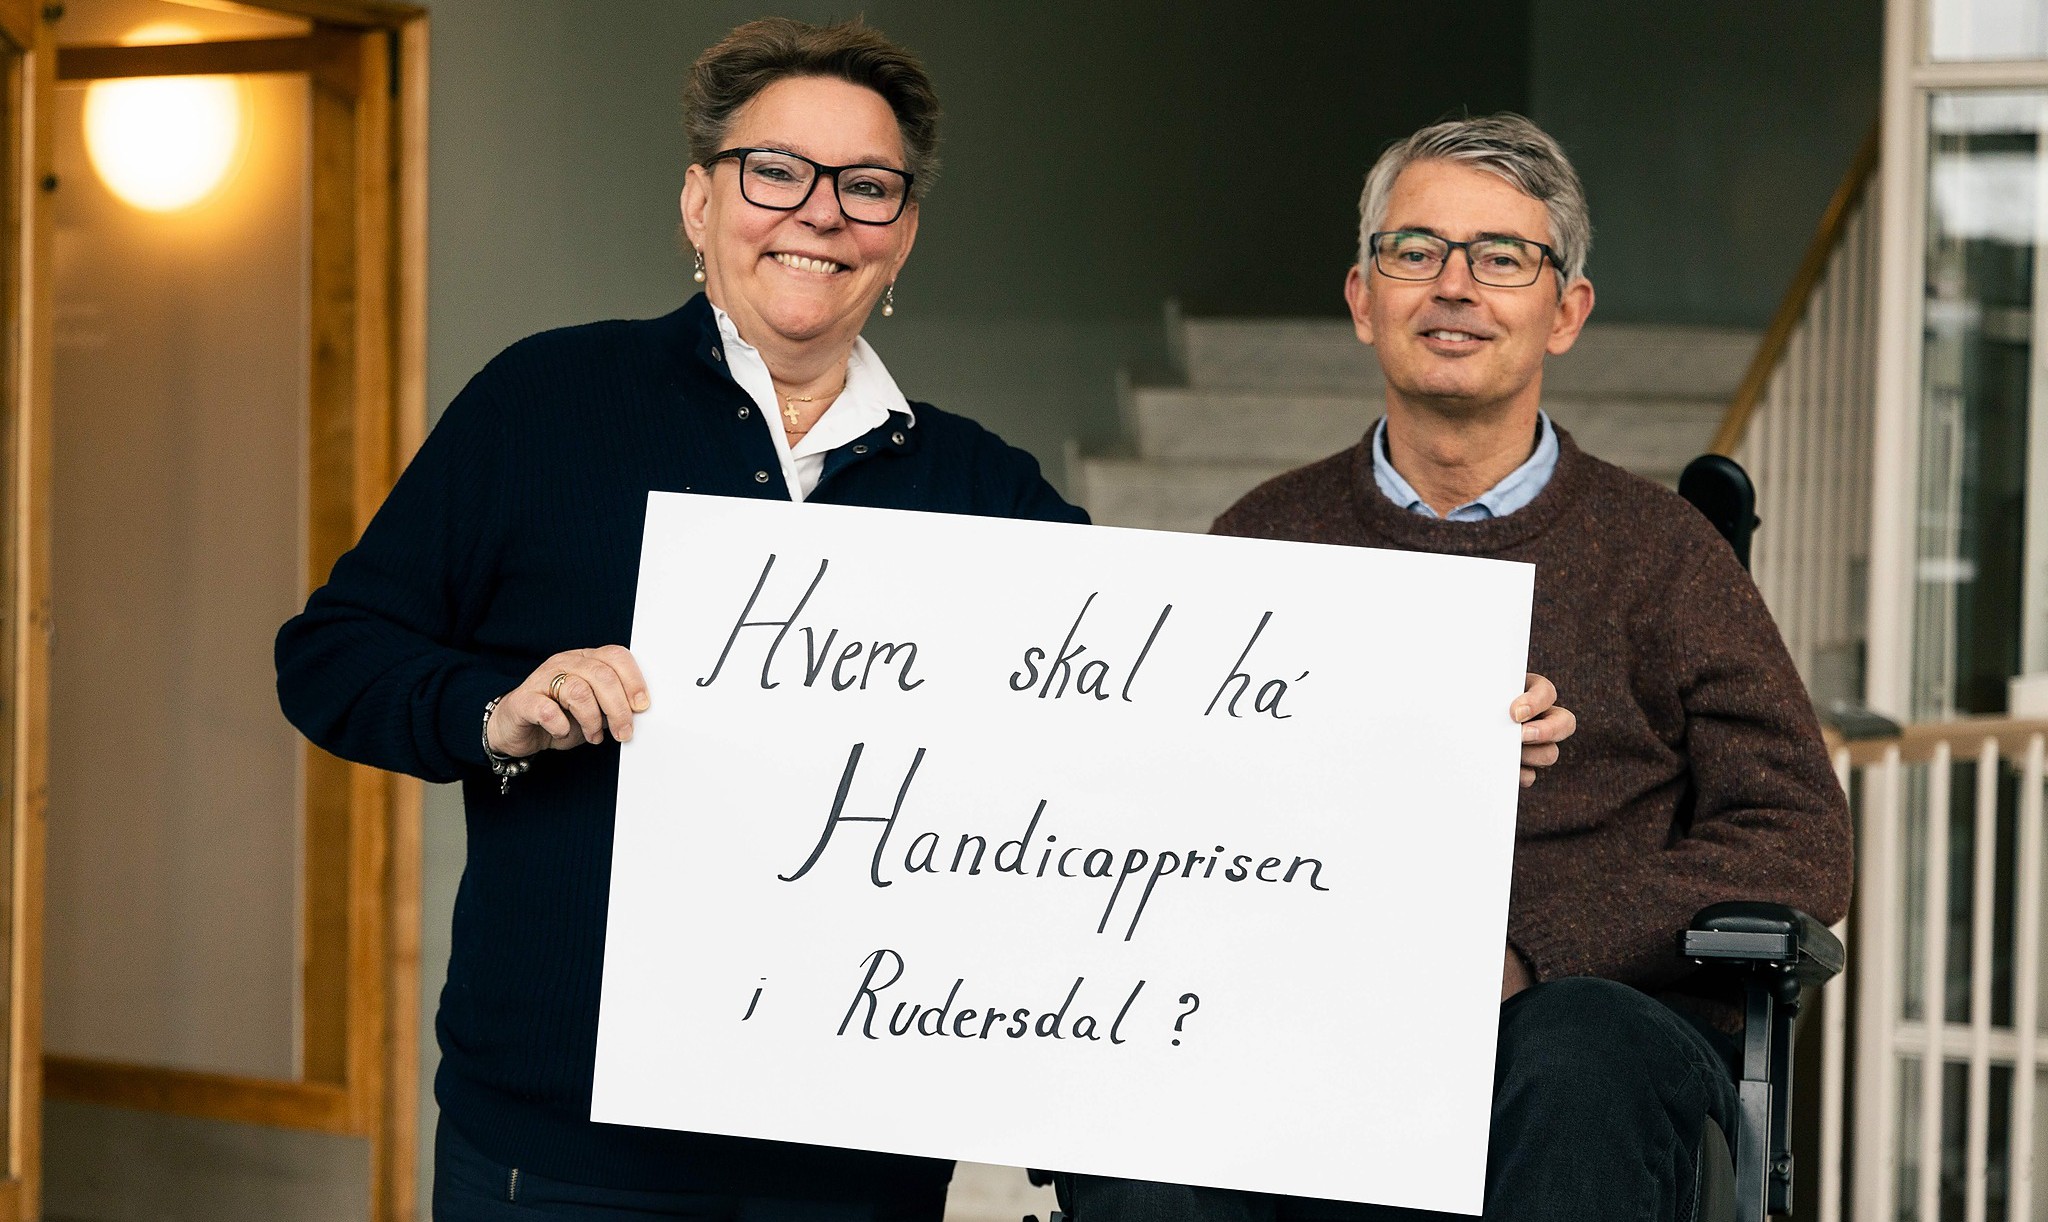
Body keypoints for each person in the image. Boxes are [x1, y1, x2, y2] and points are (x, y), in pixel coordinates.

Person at [276, 22, 1576, 1220]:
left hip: (861, 1157)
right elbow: (330, 656)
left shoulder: (982, 490)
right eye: (774, 171)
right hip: (561, 1147)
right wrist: (494, 710)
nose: (819, 213)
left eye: (867, 186)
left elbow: (1169, 734)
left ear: (900, 235)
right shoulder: (546, 402)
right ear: (699, 201)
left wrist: (1429, 735)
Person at [1058, 115, 1854, 1221]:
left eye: (1502, 257)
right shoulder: (1262, 537)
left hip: (1580, 1031)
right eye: (1415, 250)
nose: (1453, 286)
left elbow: (1797, 834)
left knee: (1575, 1047)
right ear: (1362, 298)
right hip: (1309, 1020)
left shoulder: (1664, 554)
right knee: (1128, 1106)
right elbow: (1180, 811)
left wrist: (1535, 950)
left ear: (1564, 311)